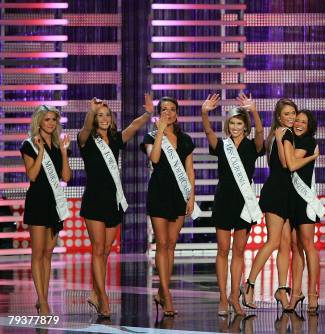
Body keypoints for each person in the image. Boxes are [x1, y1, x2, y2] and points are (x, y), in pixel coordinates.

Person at [78, 95, 154, 317]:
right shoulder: (86, 140)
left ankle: (95, 292)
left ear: (111, 120)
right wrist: (91, 111)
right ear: (94, 119)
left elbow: (133, 126)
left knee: (106, 251)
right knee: (98, 249)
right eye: (99, 115)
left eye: (106, 115)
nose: (103, 118)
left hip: (113, 201)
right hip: (93, 201)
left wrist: (148, 113)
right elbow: (84, 130)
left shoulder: (115, 139)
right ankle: (103, 299)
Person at [201, 93, 264, 316]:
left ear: (245, 126)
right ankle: (222, 297)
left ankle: (234, 298)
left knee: (238, 251)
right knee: (222, 250)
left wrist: (254, 111)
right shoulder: (222, 145)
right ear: (228, 126)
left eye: (239, 123)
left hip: (244, 204)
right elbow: (208, 132)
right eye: (232, 123)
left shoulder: (252, 146)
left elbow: (260, 134)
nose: (235, 126)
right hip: (224, 201)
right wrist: (204, 113)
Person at [142, 96, 198, 317]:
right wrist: (160, 133)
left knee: (171, 245)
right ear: (159, 113)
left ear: (177, 113)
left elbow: (190, 170)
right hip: (159, 193)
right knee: (162, 243)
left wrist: (191, 197)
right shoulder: (151, 136)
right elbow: (154, 159)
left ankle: (161, 291)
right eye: (164, 109)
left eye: (172, 109)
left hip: (179, 195)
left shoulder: (185, 139)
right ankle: (167, 295)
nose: (168, 112)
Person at [242, 99, 297, 311]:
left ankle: (282, 290)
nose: (291, 117)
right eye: (287, 114)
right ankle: (249, 284)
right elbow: (286, 164)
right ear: (279, 117)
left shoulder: (278, 133)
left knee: (285, 245)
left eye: (293, 113)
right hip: (276, 193)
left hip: (285, 193)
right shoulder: (283, 134)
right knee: (273, 242)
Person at [20, 105, 72, 315]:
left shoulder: (59, 144)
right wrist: (41, 150)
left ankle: (44, 296)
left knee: (48, 254)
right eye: (47, 119)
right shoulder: (29, 145)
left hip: (54, 203)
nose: (51, 123)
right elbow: (32, 176)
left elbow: (66, 177)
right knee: (38, 252)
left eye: (53, 120)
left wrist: (63, 152)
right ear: (39, 121)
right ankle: (42, 300)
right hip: (37, 202)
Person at [282, 109, 322, 314]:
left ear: (309, 126)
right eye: (296, 120)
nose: (298, 124)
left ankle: (313, 293)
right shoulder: (289, 139)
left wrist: (312, 156)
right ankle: (296, 292)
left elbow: (292, 164)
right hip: (289, 199)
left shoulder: (307, 142)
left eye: (303, 122)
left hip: (304, 199)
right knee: (294, 247)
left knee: (307, 245)